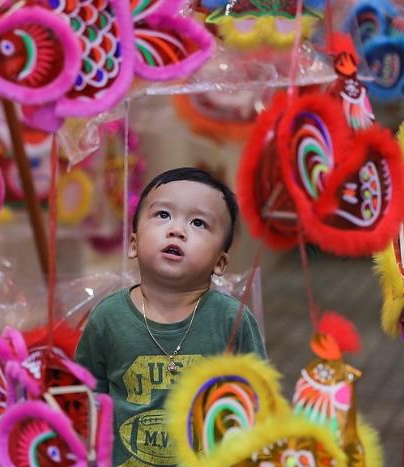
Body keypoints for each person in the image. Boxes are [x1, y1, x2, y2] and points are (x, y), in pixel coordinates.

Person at [75, 167, 267, 467]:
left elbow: (258, 402)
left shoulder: (233, 320)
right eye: (163, 215)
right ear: (133, 244)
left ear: (220, 262)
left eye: (198, 222)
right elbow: (86, 395)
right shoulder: (107, 318)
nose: (177, 230)